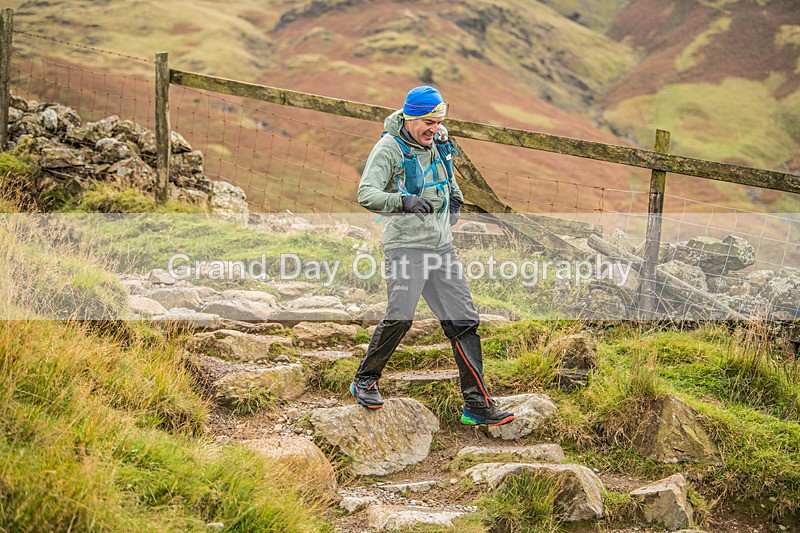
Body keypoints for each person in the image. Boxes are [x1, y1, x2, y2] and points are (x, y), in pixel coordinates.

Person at [349, 85, 515, 427]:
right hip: (406, 247)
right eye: (428, 122)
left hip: (441, 248)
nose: (434, 128)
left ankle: (476, 405)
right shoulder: (389, 149)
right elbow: (366, 193)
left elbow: (448, 174)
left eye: (439, 121)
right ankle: (365, 379)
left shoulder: (439, 140)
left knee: (464, 322)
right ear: (410, 117)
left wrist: (455, 198)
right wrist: (403, 201)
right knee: (401, 317)